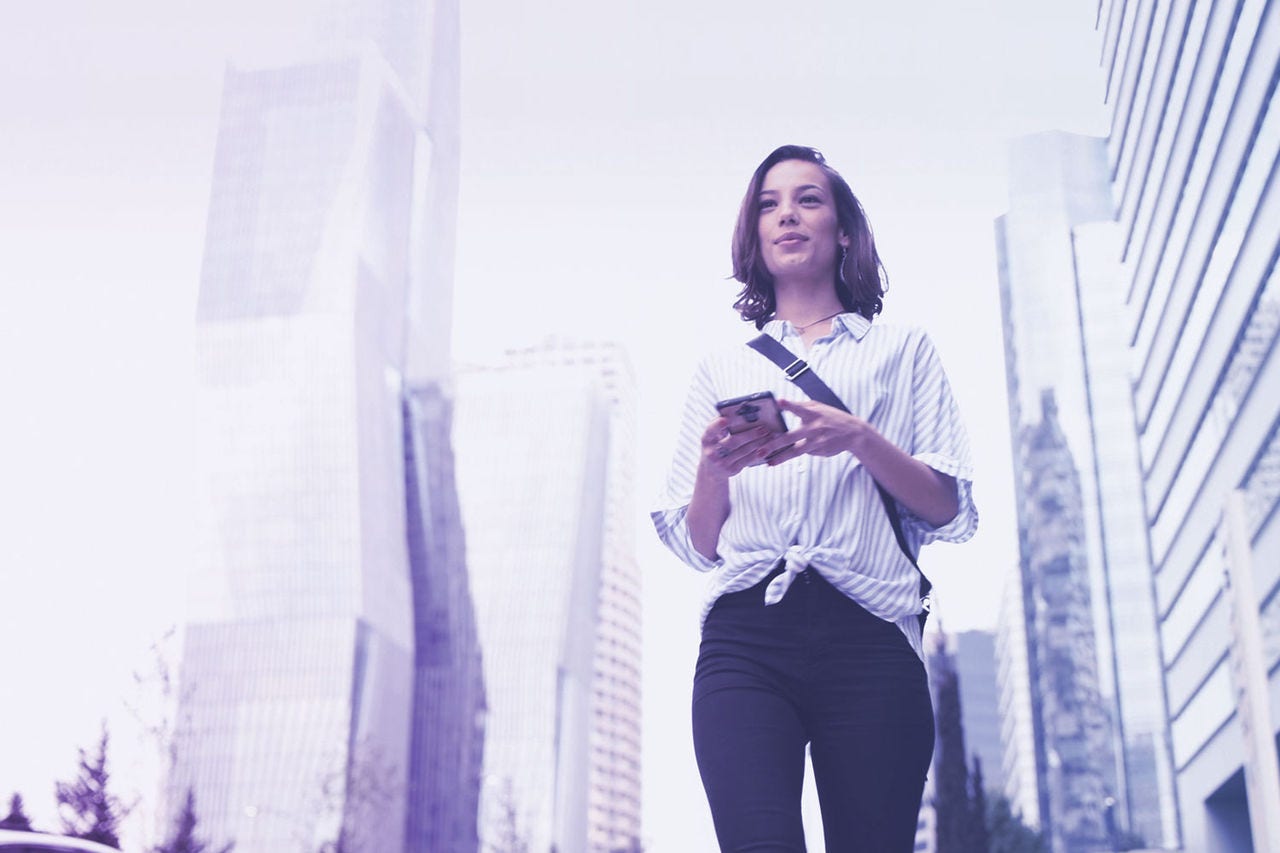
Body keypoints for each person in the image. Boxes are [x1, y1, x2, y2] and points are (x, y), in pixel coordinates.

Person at [651, 144, 978, 852]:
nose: (787, 214)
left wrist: (861, 438)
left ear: (844, 231)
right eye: (769, 204)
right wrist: (715, 467)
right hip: (746, 638)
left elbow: (946, 506)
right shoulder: (722, 366)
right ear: (754, 235)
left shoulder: (905, 350)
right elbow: (699, 543)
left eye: (808, 199)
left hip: (870, 636)